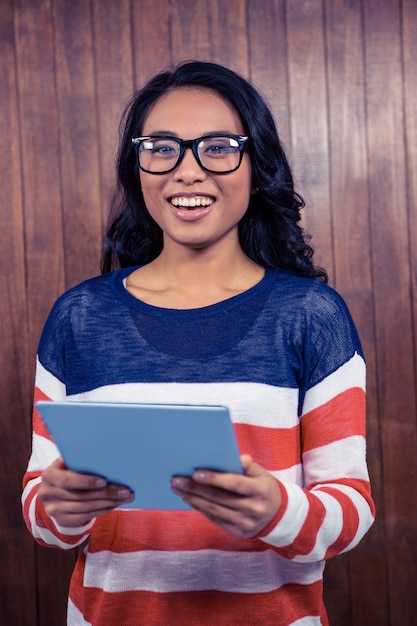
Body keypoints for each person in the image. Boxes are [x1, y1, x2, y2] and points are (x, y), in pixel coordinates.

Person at [22, 60, 375, 626]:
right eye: (161, 148)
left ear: (256, 166)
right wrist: (58, 507)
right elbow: (42, 510)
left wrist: (277, 512)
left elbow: (352, 510)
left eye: (217, 146)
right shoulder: (78, 317)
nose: (187, 171)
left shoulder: (311, 316)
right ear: (137, 167)